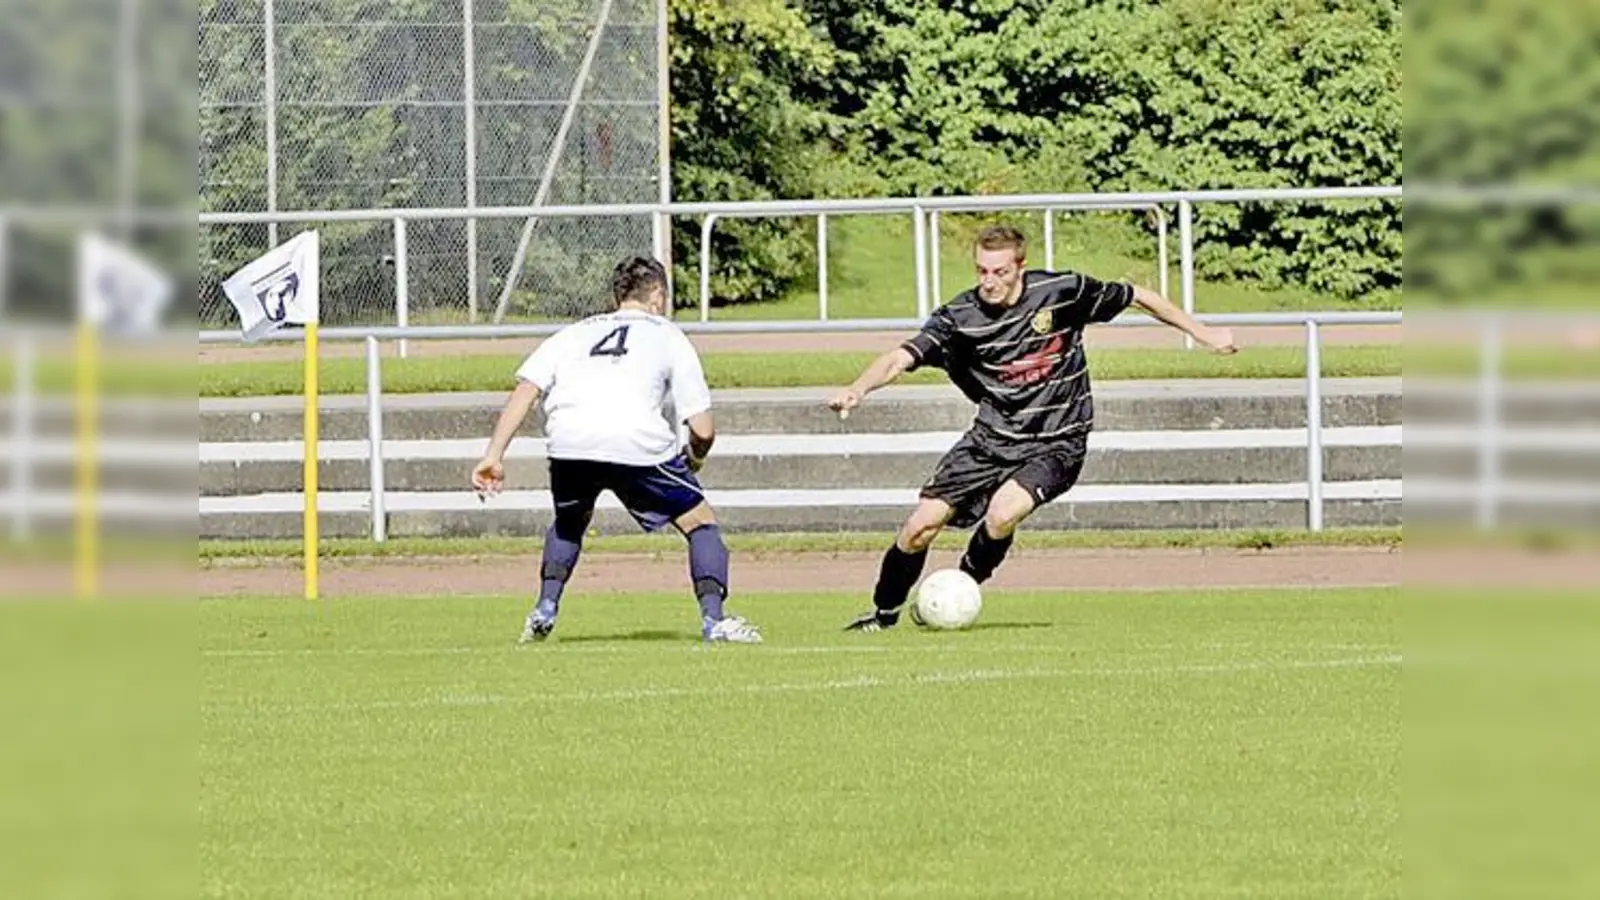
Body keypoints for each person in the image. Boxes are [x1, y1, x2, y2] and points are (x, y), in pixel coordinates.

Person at [828, 224, 1239, 631]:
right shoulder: (961, 318)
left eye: (1000, 272)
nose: (989, 281)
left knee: (1002, 514)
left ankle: (962, 586)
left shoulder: (1061, 292)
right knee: (920, 526)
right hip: (991, 439)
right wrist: (858, 388)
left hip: (1058, 442)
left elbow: (1137, 296)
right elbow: (900, 357)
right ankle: (883, 615)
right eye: (982, 271)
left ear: (1020, 267)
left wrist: (1204, 334)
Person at [471, 256, 762, 644]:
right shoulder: (668, 335)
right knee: (700, 523)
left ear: (617, 295)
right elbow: (703, 429)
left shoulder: (574, 332)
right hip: (637, 444)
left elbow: (526, 389)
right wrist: (695, 458)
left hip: (570, 443)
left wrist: (493, 455)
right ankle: (715, 621)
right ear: (657, 294)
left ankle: (544, 609)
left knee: (569, 523)